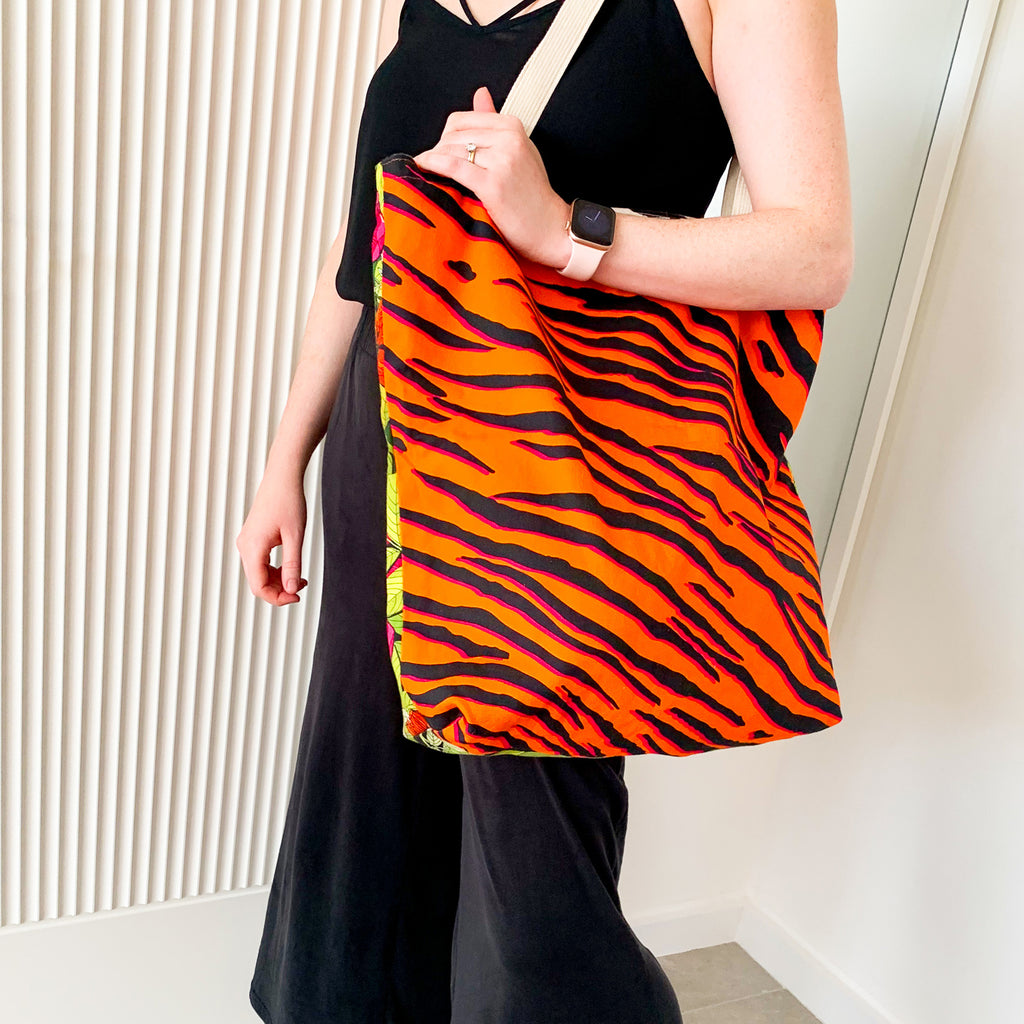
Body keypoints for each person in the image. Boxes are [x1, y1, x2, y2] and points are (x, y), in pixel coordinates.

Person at [237, 0, 853, 1021]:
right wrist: (283, 459)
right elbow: (362, 250)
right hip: (383, 444)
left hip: (552, 480)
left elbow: (815, 249)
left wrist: (566, 230)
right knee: (367, 817)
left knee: (536, 884)